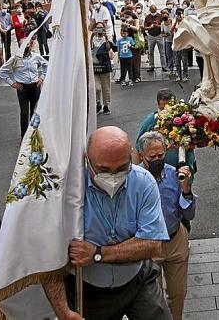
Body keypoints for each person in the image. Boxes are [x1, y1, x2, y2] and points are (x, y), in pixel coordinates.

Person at [45, 127, 172, 320]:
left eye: (122, 168)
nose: (113, 177)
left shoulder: (143, 182)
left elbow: (153, 244)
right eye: (104, 169)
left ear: (132, 157)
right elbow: (47, 255)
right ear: (87, 160)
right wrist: (63, 312)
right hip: (88, 292)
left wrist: (97, 254)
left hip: (136, 281)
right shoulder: (67, 192)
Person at [137, 132, 195, 320]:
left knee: (178, 293)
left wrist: (187, 190)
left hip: (174, 238)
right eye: (151, 157)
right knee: (153, 298)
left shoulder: (173, 175)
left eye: (160, 155)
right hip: (147, 244)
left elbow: (189, 214)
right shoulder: (134, 179)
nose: (157, 160)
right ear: (141, 155)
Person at [137, 89, 197, 172]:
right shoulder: (151, 121)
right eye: (163, 109)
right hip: (161, 171)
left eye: (170, 108)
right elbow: (139, 147)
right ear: (158, 106)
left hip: (185, 166)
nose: (166, 112)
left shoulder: (186, 119)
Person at [0, 39, 48, 136]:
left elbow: (46, 65)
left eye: (27, 45)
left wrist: (42, 78)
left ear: (31, 46)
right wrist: (12, 83)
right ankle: (24, 136)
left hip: (35, 87)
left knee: (35, 113)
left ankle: (34, 136)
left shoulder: (36, 57)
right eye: (23, 45)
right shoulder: (15, 59)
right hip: (22, 89)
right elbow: (2, 71)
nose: (26, 47)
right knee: (24, 113)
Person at [91, 21, 117, 114]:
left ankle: (106, 106)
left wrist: (107, 43)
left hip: (105, 66)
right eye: (97, 27)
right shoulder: (91, 38)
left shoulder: (107, 38)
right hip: (94, 66)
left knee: (106, 88)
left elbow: (112, 54)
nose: (99, 29)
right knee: (96, 87)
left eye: (101, 27)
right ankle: (98, 103)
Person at [144, 5, 167, 72]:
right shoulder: (147, 17)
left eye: (154, 10)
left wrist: (158, 25)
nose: (153, 12)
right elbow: (145, 27)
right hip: (151, 36)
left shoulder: (160, 16)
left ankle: (164, 66)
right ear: (150, 10)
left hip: (159, 35)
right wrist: (150, 27)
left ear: (156, 10)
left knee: (162, 52)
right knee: (150, 52)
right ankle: (151, 66)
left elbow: (164, 26)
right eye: (152, 10)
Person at [171, 9, 190, 81]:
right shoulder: (173, 21)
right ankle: (179, 75)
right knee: (177, 60)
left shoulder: (185, 21)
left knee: (184, 61)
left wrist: (182, 21)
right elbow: (171, 30)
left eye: (180, 14)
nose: (179, 15)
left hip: (183, 43)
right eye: (178, 14)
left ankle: (185, 75)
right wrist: (176, 21)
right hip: (176, 43)